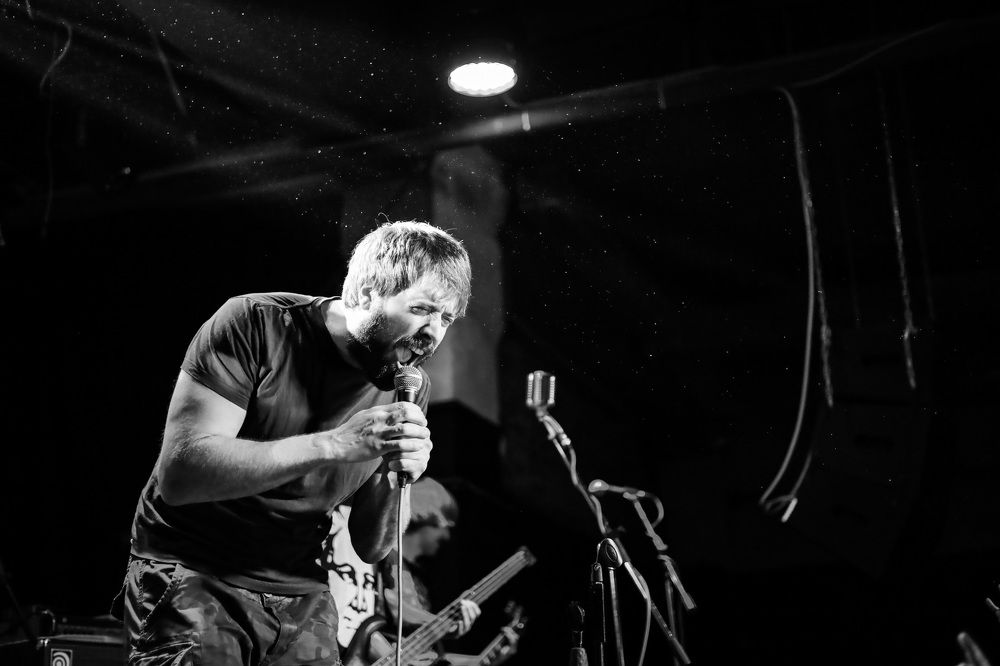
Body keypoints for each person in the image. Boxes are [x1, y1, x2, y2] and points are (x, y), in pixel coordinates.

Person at [112, 220, 472, 666]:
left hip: (300, 589)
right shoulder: (256, 322)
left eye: (446, 318)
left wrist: (402, 475)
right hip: (194, 568)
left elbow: (373, 547)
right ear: (366, 294)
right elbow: (181, 475)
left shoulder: (410, 385)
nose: (433, 333)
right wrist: (334, 444)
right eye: (421, 309)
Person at [324, 477, 482, 666]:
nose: (447, 536)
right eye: (446, 526)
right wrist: (442, 623)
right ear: (430, 516)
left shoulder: (417, 576)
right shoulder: (382, 555)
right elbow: (392, 606)